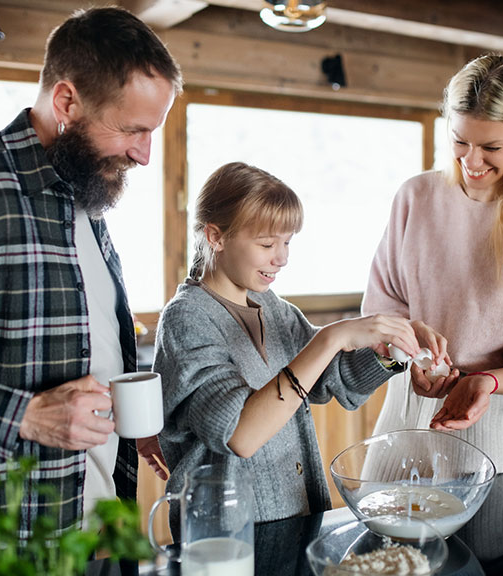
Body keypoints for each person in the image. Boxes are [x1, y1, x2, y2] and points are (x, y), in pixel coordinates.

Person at [0, 7, 182, 534]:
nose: (145, 156)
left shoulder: (84, 193)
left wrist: (133, 422)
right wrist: (24, 416)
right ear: (66, 102)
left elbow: (81, 339)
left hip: (99, 522)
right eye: (132, 130)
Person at [141, 161, 447, 534]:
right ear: (215, 237)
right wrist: (331, 337)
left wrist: (389, 349)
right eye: (267, 244)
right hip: (227, 536)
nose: (282, 257)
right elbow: (241, 434)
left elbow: (325, 375)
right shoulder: (186, 320)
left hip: (297, 516)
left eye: (287, 242)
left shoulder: (273, 308)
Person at [362, 54, 503, 474]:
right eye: (460, 141)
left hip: (490, 417)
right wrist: (408, 344)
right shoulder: (415, 197)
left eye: (491, 147)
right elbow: (381, 307)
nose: (472, 161)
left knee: (487, 543)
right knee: (384, 539)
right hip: (404, 408)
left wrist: (486, 381)